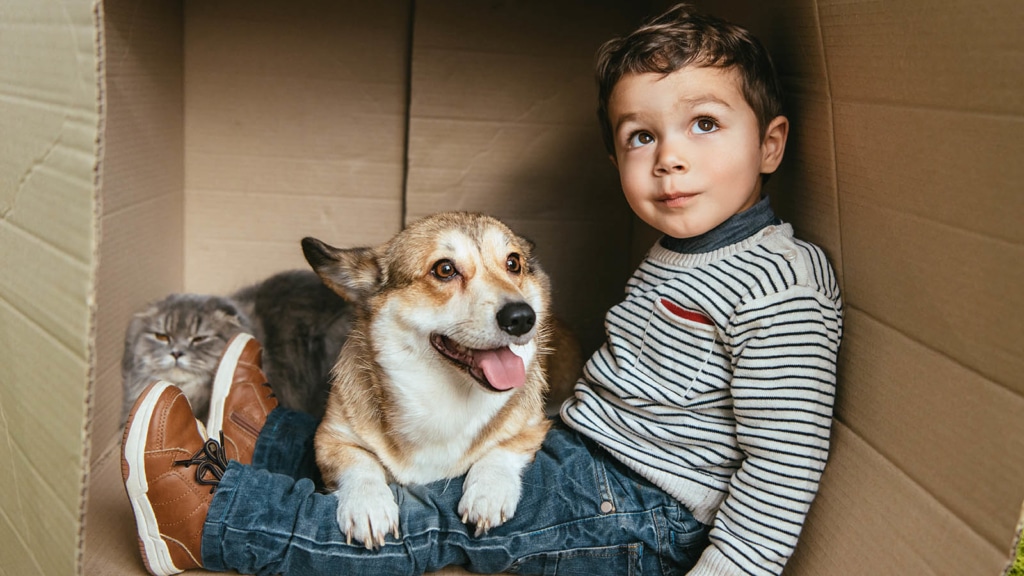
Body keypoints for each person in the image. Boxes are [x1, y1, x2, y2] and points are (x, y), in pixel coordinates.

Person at [121, 4, 843, 575]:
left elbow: (783, 469)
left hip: (647, 514)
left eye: (705, 125)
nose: (671, 160)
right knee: (394, 467)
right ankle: (264, 437)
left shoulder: (781, 283)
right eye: (640, 137)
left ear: (771, 145)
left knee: (430, 521)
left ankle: (217, 526)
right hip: (581, 455)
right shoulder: (679, 250)